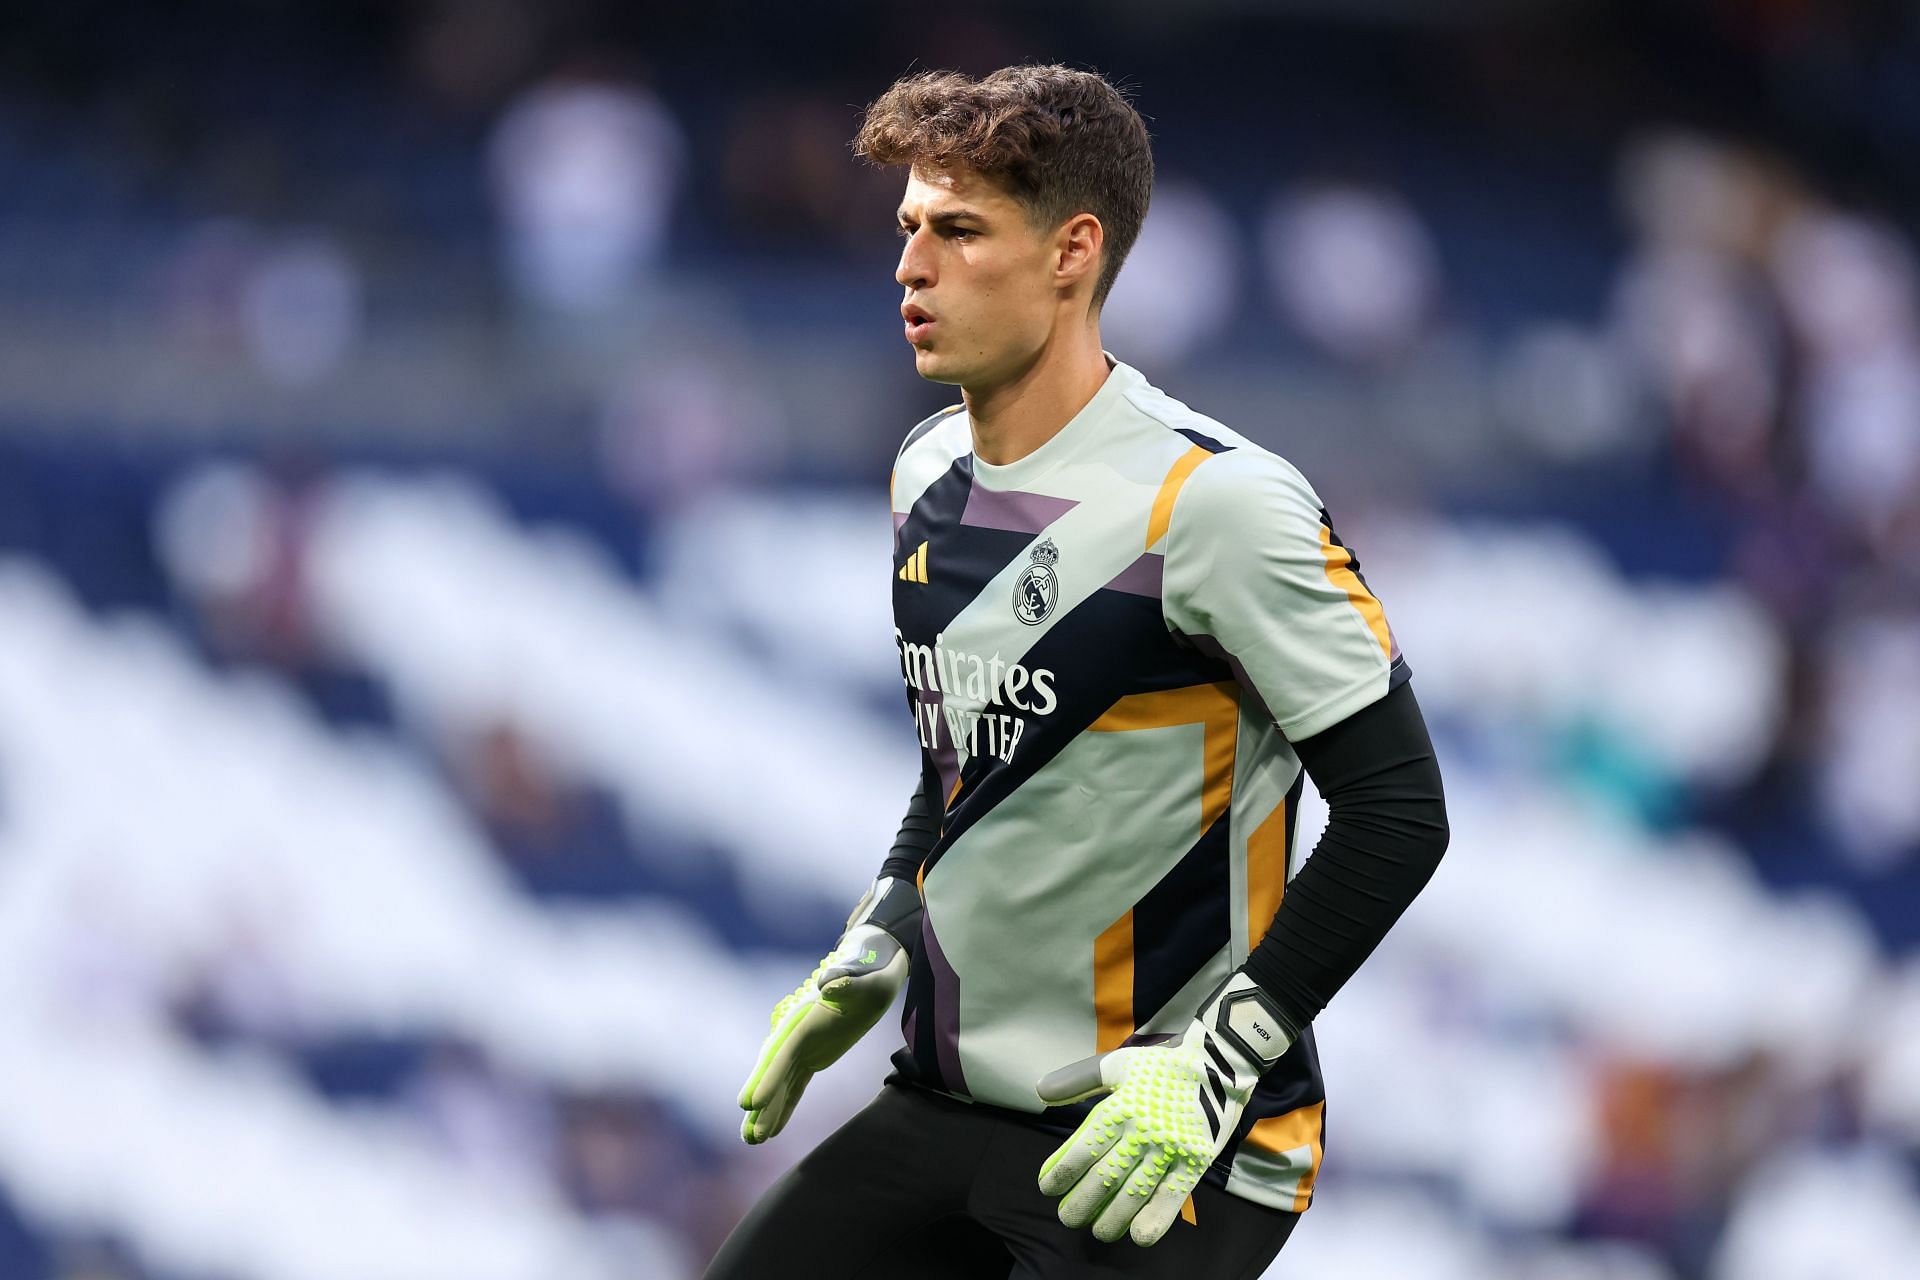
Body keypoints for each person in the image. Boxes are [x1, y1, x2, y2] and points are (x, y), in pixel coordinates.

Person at [706, 65, 1450, 1279]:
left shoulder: (1214, 503)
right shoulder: (925, 472)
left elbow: (1400, 812)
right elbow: (970, 762)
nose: (910, 267)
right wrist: (885, 925)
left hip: (1162, 1129)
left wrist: (1222, 1056)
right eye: (907, 229)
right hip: (946, 1096)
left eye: (958, 231)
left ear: (1072, 252)